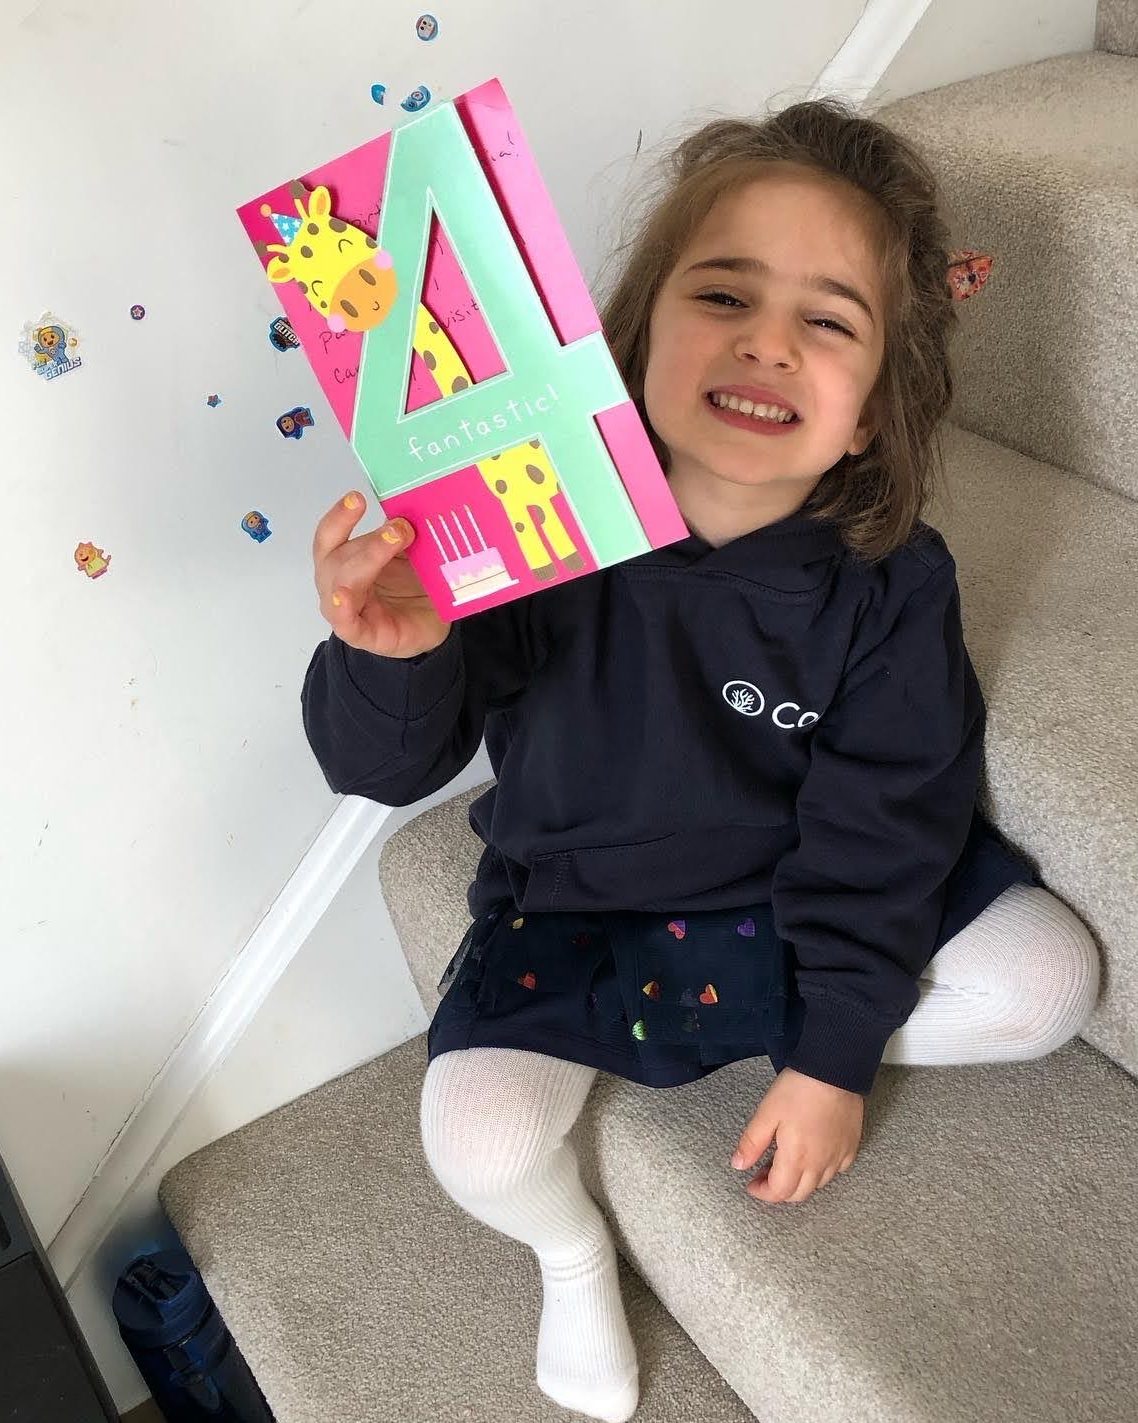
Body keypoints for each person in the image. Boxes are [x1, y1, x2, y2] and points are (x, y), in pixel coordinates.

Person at [301, 96, 1100, 1423]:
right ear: (633, 342)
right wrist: (392, 654)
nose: (766, 341)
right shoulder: (527, 521)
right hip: (589, 899)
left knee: (1046, 982)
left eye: (828, 322)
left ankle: (778, 1022)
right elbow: (388, 769)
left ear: (870, 414)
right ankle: (574, 1253)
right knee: (480, 1144)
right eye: (724, 294)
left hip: (804, 881)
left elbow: (889, 821)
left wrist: (834, 1057)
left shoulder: (892, 583)